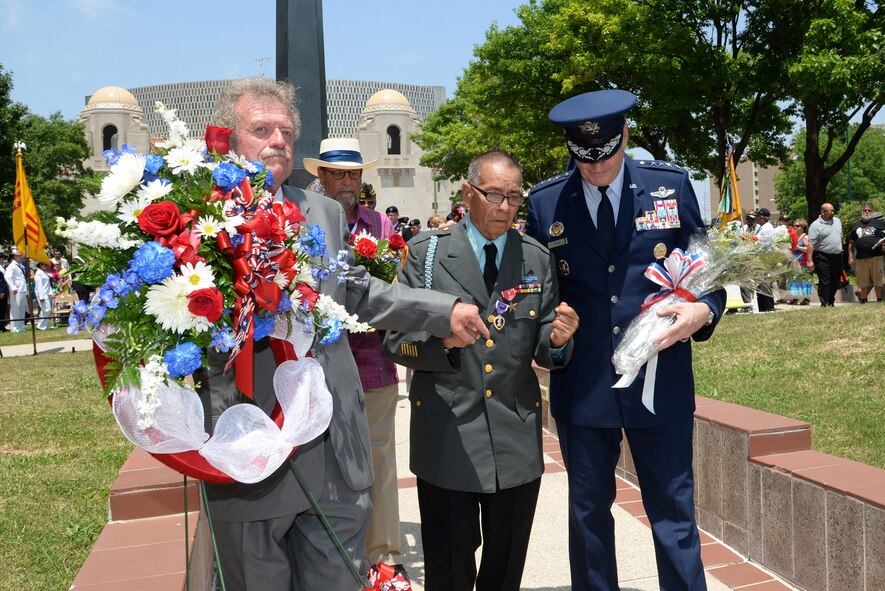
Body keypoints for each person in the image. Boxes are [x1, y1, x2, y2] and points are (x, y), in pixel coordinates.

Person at [201, 77, 489, 591]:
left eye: (286, 132)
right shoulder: (191, 218)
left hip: (333, 455)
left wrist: (443, 311)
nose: (277, 142)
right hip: (250, 454)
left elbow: (358, 293)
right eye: (261, 129)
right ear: (225, 137)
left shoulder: (323, 213)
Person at [525, 89, 725, 591]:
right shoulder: (545, 202)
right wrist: (549, 328)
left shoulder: (669, 186)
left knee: (674, 513)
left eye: (606, 153)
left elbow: (711, 273)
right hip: (585, 386)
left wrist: (704, 310)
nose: (595, 167)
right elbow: (534, 292)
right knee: (588, 515)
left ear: (626, 137)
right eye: (583, 156)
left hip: (661, 380)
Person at [384, 150, 579, 591]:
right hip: (447, 435)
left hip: (514, 436)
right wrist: (444, 345)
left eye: (514, 197)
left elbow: (544, 341)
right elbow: (396, 340)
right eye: (494, 195)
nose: (505, 206)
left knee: (505, 568)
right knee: (449, 569)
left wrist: (559, 340)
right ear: (467, 193)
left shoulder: (536, 258)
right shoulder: (426, 255)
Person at [305, 137, 409, 585]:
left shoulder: (381, 229)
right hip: (315, 367)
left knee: (381, 462)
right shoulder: (301, 220)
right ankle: (336, 555)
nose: (347, 182)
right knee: (322, 466)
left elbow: (393, 293)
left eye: (354, 174)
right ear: (321, 176)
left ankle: (385, 558)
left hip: (371, 362)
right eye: (338, 173)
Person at [846, 202, 885, 303]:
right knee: (862, 280)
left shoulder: (879, 224)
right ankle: (863, 299)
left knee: (878, 279)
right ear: (862, 211)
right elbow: (851, 243)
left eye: (869, 210)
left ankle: (879, 300)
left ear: (872, 212)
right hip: (860, 257)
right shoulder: (855, 225)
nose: (867, 212)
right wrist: (850, 257)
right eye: (865, 210)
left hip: (876, 256)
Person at [806, 203, 843, 307]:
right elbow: (811, 244)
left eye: (833, 211)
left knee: (835, 279)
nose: (832, 213)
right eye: (829, 211)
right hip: (822, 256)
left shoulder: (837, 221)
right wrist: (809, 261)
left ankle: (831, 301)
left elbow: (839, 237)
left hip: (837, 255)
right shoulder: (815, 225)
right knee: (825, 280)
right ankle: (825, 302)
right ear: (822, 212)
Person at [753, 208, 776, 311]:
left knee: (764, 283)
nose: (756, 219)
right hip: (761, 258)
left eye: (757, 217)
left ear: (762, 218)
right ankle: (762, 306)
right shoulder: (762, 227)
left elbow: (760, 243)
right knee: (761, 283)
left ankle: (768, 306)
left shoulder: (767, 228)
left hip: (765, 258)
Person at [4, 248, 27, 333]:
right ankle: (15, 328)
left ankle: (21, 327)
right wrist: (13, 287)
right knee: (15, 309)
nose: (21, 257)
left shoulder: (21, 265)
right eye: (19, 256)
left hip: (22, 289)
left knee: (21, 309)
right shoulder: (11, 266)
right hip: (16, 290)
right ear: (14, 257)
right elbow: (7, 277)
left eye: (21, 256)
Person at [792, 218, 813, 305]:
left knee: (805, 280)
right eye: (794, 226)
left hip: (804, 262)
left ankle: (806, 298)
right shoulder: (795, 237)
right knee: (795, 280)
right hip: (795, 262)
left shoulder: (805, 237)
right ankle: (796, 298)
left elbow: (809, 249)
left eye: (797, 226)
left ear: (803, 227)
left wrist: (798, 247)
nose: (795, 227)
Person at [33, 262, 52, 330]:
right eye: (44, 264)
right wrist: (41, 297)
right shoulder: (38, 274)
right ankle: (41, 325)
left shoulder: (45, 272)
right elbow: (39, 286)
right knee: (47, 310)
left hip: (47, 293)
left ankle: (44, 325)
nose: (46, 266)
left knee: (46, 310)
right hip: (43, 294)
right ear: (40, 265)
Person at [0, 252, 8, 332]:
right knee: (0, 309)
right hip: (1, 292)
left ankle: (2, 326)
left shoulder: (1, 267)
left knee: (3, 310)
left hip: (4, 291)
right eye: (3, 258)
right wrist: (1, 292)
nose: (3, 260)